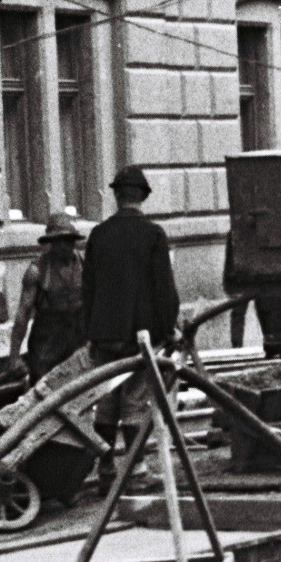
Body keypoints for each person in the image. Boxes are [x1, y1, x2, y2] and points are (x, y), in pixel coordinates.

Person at [81, 164, 180, 481]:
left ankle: (106, 466)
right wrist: (170, 328)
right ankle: (135, 470)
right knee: (136, 402)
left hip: (104, 334)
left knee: (108, 402)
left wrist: (90, 331)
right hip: (140, 335)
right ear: (143, 197)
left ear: (117, 196)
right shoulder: (153, 235)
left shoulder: (99, 234)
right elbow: (164, 289)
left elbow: (89, 289)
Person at [9, 211, 88, 383]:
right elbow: (22, 315)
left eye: (68, 241)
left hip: (78, 342)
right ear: (51, 242)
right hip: (47, 346)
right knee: (44, 392)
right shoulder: (37, 271)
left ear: (74, 241)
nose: (64, 246)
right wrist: (14, 357)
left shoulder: (86, 265)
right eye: (58, 241)